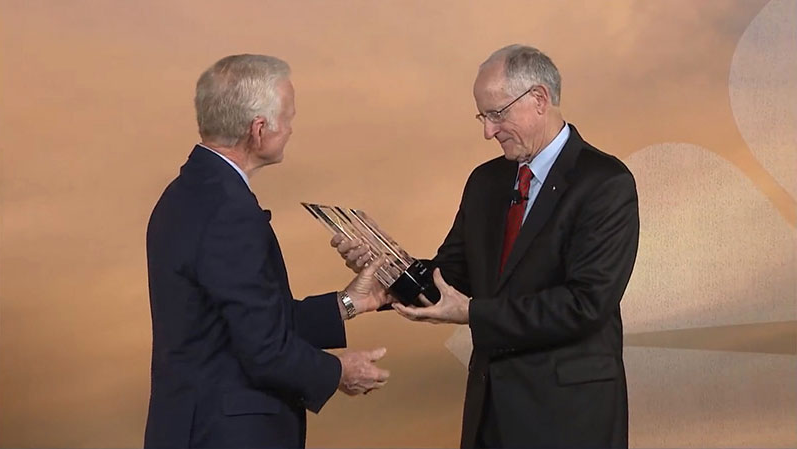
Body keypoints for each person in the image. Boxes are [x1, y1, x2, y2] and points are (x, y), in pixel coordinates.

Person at [333, 45, 639, 448]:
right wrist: (388, 273)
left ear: (539, 99)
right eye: (483, 117)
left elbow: (585, 305)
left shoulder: (605, 183)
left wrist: (473, 313)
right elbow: (451, 276)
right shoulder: (486, 181)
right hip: (490, 414)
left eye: (497, 114)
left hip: (570, 418)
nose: (488, 132)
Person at [144, 54, 392, 449]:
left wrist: (350, 302)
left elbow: (246, 323)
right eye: (288, 117)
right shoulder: (229, 209)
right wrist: (339, 372)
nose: (291, 128)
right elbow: (263, 350)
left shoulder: (185, 193)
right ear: (258, 130)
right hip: (226, 436)